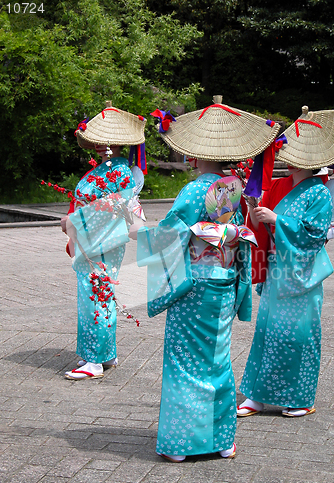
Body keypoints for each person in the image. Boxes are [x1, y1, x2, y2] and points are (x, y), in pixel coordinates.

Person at [136, 96, 281, 461]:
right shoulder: (237, 188)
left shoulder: (194, 189)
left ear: (195, 154)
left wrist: (139, 232)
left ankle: (183, 444)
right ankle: (222, 440)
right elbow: (236, 234)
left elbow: (172, 233)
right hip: (224, 280)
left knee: (186, 360)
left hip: (193, 284)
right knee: (217, 358)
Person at [237, 105, 334, 417]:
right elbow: (262, 226)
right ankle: (257, 395)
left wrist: (277, 220)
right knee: (267, 333)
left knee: (298, 335)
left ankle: (298, 397)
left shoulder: (320, 193)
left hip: (303, 273)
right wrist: (256, 211)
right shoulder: (281, 185)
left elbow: (314, 236)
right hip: (278, 270)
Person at [61, 101, 147, 380]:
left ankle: (94, 360)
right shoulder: (111, 168)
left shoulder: (118, 171)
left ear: (119, 143)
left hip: (101, 240)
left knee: (95, 294)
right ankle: (106, 353)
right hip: (96, 240)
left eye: (106, 141)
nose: (101, 145)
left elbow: (113, 209)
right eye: (98, 140)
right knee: (101, 293)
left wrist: (73, 222)